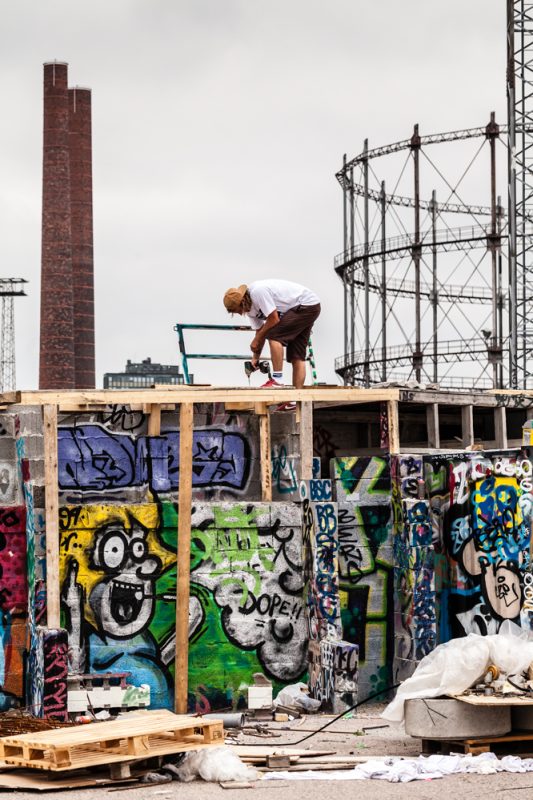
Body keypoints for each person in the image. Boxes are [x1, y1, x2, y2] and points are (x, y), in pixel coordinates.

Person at [223, 279, 321, 388]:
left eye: (238, 310)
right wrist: (255, 358)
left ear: (242, 302)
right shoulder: (250, 311)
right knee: (296, 355)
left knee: (274, 337)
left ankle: (278, 380)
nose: (240, 313)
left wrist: (258, 338)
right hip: (308, 307)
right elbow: (259, 331)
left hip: (305, 304)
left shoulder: (258, 292)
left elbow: (273, 319)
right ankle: (295, 400)